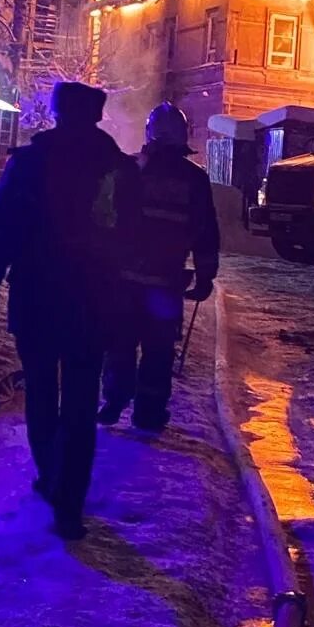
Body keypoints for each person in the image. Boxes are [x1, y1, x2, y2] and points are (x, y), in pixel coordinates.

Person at [0, 82, 138, 540]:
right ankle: (70, 500)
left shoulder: (30, 163)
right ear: (96, 116)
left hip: (39, 296)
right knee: (82, 400)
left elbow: (1, 225)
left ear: (58, 113)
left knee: (42, 390)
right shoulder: (118, 169)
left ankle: (50, 474)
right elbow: (134, 240)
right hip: (94, 301)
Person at [99, 101, 220, 432]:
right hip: (165, 284)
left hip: (123, 281)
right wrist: (206, 275)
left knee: (119, 342)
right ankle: (148, 414)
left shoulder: (130, 170)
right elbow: (205, 231)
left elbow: (106, 220)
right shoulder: (194, 180)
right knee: (158, 350)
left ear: (150, 134)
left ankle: (113, 400)